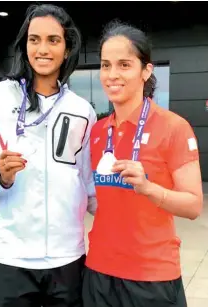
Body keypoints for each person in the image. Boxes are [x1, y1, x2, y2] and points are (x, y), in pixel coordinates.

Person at [0, 4, 97, 307]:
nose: (42, 49)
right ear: (24, 45)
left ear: (67, 48)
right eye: (34, 39)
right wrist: (0, 177)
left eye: (53, 40)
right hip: (11, 258)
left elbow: (87, 181)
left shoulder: (82, 110)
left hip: (67, 256)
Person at [82, 20, 203, 307]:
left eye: (124, 65)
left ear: (146, 70)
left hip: (152, 275)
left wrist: (148, 188)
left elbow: (193, 205)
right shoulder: (98, 131)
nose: (112, 74)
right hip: (99, 270)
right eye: (105, 65)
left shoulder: (174, 127)